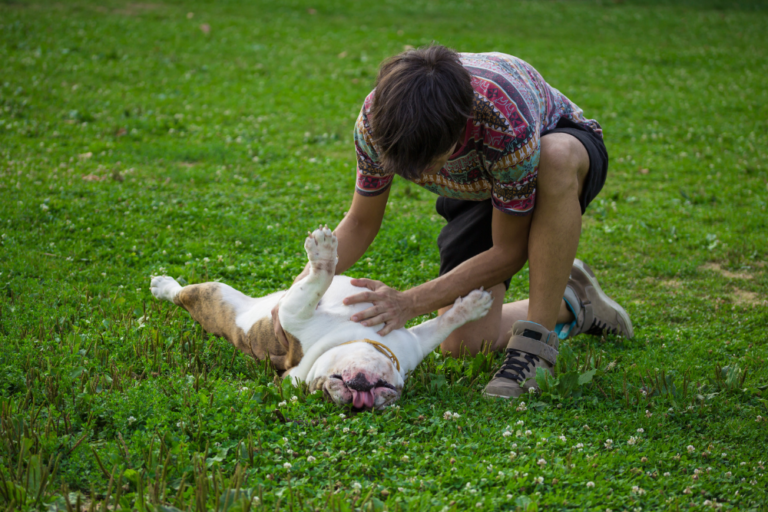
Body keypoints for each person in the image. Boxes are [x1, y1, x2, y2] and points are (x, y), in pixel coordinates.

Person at [274, 45, 633, 399]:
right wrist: (297, 294)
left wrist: (411, 302)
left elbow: (508, 251)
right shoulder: (376, 119)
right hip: (478, 184)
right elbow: (360, 223)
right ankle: (575, 300)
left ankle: (534, 347)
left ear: (460, 129)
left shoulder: (505, 120)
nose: (418, 175)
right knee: (464, 345)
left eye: (429, 163)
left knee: (556, 157)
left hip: (552, 155)